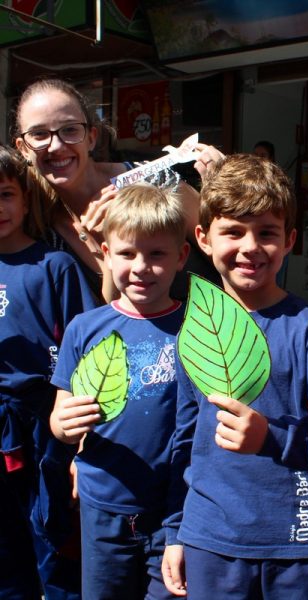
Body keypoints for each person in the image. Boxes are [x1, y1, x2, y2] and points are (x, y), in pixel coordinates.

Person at [161, 154, 308, 600]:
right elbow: (183, 440)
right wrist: (175, 530)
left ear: (289, 240)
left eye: (266, 232)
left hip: (301, 544)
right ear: (203, 238)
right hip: (210, 540)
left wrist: (273, 437)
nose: (250, 247)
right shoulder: (194, 330)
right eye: (233, 231)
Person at [49, 183, 190, 599]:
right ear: (107, 254)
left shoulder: (197, 332)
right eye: (127, 254)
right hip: (103, 507)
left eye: (157, 254)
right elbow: (60, 420)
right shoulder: (84, 328)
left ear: (181, 256)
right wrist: (64, 427)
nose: (141, 267)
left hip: (173, 511)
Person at [14, 77, 222, 303]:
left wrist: (224, 191)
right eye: (39, 134)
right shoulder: (39, 229)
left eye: (70, 130)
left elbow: (226, 252)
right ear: (23, 148)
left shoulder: (153, 180)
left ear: (91, 138)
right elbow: (102, 316)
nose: (56, 146)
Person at [0, 145, 96, 599]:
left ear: (25, 199)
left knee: (54, 543)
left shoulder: (53, 266)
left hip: (45, 427)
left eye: (5, 194)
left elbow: (88, 353)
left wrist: (82, 444)